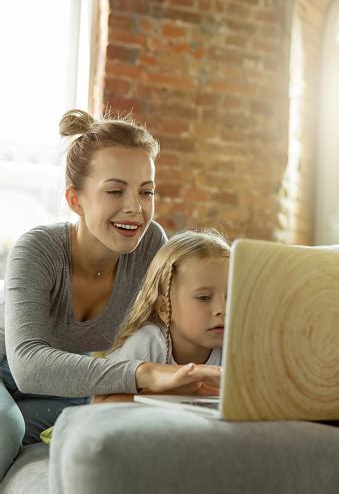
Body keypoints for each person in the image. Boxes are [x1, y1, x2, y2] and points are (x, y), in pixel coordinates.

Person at [0, 109, 221, 481]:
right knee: (8, 430)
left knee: (103, 428)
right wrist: (146, 373)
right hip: (11, 371)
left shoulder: (152, 245)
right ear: (75, 199)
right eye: (115, 190)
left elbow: (174, 330)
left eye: (146, 191)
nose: (135, 207)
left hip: (70, 385)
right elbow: (29, 366)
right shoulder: (38, 248)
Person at [105, 229, 230, 367]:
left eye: (230, 297)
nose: (223, 309)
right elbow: (106, 385)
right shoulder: (147, 344)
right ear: (164, 308)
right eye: (204, 297)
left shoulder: (234, 348)